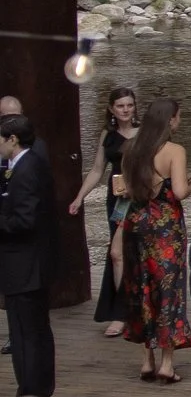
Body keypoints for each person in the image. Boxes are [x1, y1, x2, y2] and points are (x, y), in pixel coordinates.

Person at [119, 96, 191, 383]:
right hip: (165, 226)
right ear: (170, 119)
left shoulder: (131, 148)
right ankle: (167, 363)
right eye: (178, 117)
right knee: (168, 289)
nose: (179, 121)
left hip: (136, 223)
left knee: (141, 288)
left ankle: (146, 360)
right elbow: (180, 191)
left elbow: (127, 188)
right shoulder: (174, 150)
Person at [0, 104, 61, 397]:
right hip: (33, 265)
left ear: (12, 140)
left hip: (24, 266)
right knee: (36, 331)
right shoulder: (32, 163)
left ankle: (31, 393)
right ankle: (39, 390)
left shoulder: (25, 171)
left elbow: (25, 220)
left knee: (26, 334)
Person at [80, 82, 140, 331]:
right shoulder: (108, 134)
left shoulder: (144, 132)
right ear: (111, 109)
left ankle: (134, 310)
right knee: (118, 253)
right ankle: (121, 311)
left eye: (129, 105)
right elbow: (96, 170)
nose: (125, 110)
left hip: (139, 198)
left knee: (134, 253)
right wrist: (79, 196)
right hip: (116, 200)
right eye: (120, 106)